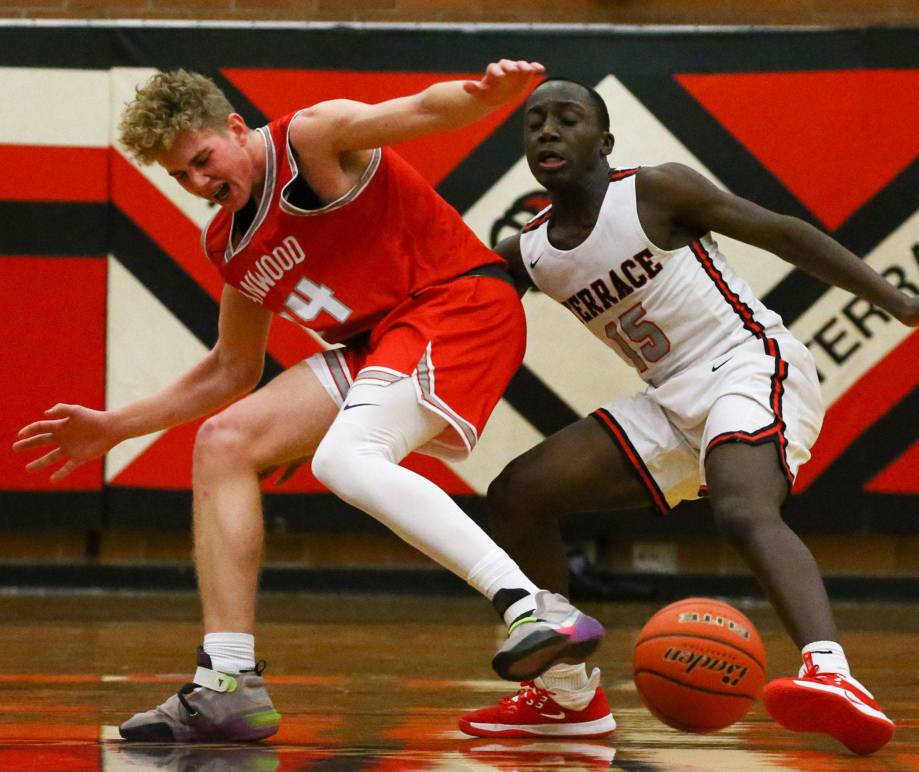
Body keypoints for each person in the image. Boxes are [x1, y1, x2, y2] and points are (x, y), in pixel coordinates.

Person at [12, 64, 606, 743]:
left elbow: (419, 109)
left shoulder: (313, 140)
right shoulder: (230, 240)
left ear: (236, 128)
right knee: (224, 442)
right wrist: (117, 426)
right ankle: (226, 683)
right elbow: (232, 368)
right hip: (376, 343)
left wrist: (484, 96)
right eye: (181, 177)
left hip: (455, 305)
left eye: (203, 160)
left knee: (346, 458)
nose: (200, 184)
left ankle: (533, 609)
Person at [459, 79, 919, 754]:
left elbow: (785, 234)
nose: (547, 131)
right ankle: (567, 696)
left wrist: (896, 302)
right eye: (534, 123)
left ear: (605, 142)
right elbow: (460, 311)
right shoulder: (527, 250)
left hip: (748, 363)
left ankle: (832, 672)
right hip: (668, 399)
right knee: (518, 494)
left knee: (740, 508)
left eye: (567, 119)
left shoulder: (656, 190)